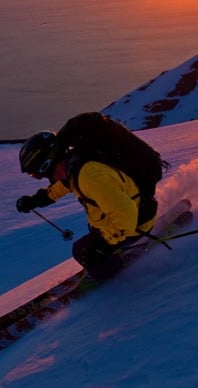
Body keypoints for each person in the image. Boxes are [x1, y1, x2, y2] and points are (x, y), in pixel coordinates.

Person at [15, 114, 160, 280]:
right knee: (89, 242)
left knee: (82, 251)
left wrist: (103, 245)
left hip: (136, 224)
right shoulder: (74, 167)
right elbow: (61, 187)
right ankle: (110, 255)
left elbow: (125, 215)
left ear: (45, 165)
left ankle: (115, 276)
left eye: (34, 174)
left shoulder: (88, 176)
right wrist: (34, 201)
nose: (37, 177)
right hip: (130, 217)